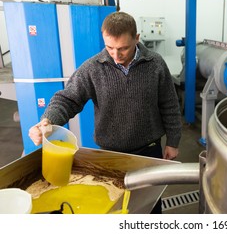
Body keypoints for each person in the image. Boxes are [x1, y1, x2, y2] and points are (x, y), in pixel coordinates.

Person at [28, 11, 182, 213]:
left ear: (136, 38)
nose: (116, 56)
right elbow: (67, 99)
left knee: (149, 208)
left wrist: (173, 141)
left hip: (149, 151)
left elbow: (169, 104)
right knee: (114, 208)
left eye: (123, 48)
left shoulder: (155, 64)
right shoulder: (93, 68)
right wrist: (47, 121)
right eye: (110, 48)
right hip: (110, 153)